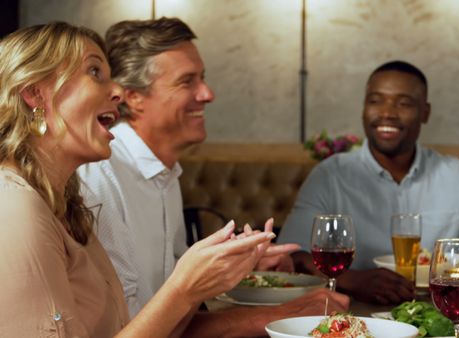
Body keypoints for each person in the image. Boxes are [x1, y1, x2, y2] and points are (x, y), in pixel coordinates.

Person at [0, 21, 277, 338]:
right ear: (36, 94)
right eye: (94, 73)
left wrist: (213, 275)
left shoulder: (68, 206)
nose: (117, 90)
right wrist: (186, 287)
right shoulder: (14, 208)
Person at [77, 17, 348, 337]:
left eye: (202, 78)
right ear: (132, 98)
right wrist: (283, 316)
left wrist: (242, 268)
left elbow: (174, 303)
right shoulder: (99, 173)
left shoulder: (165, 174)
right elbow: (134, 326)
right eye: (187, 81)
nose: (207, 94)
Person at [278, 60, 459, 304]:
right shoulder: (330, 176)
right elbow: (292, 254)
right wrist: (353, 280)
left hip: (439, 315)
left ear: (425, 112)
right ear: (363, 109)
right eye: (376, 101)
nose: (387, 113)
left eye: (403, 103)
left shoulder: (457, 175)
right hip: (352, 315)